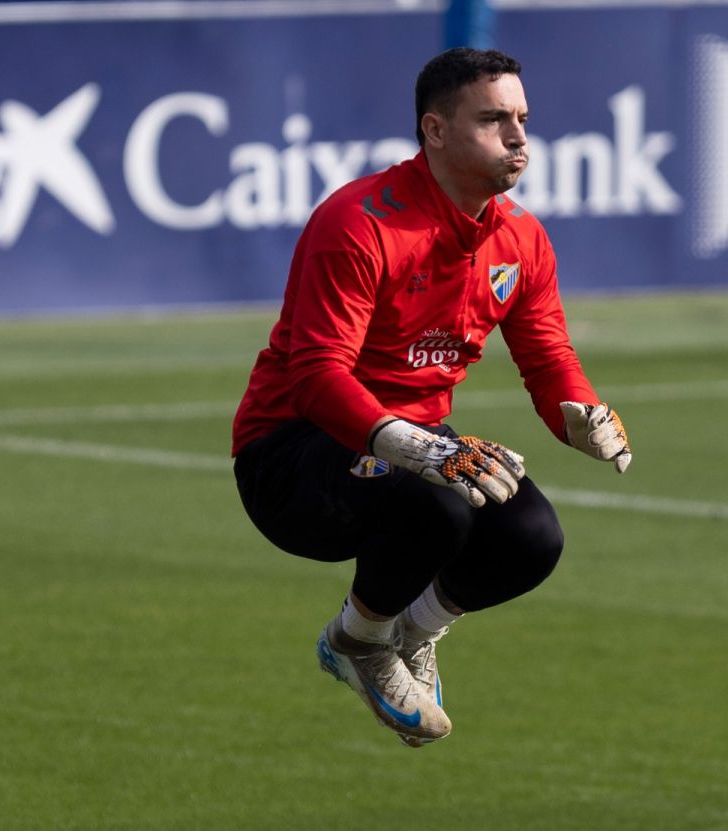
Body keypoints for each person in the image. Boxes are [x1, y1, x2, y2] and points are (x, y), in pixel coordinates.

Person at [231, 48, 633, 747]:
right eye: (493, 119)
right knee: (445, 497)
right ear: (436, 130)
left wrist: (582, 411)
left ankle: (406, 633)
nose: (517, 137)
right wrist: (418, 446)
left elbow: (548, 358)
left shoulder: (522, 238)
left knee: (532, 538)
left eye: (522, 119)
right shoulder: (359, 222)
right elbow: (318, 375)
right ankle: (363, 643)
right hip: (290, 459)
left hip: (411, 458)